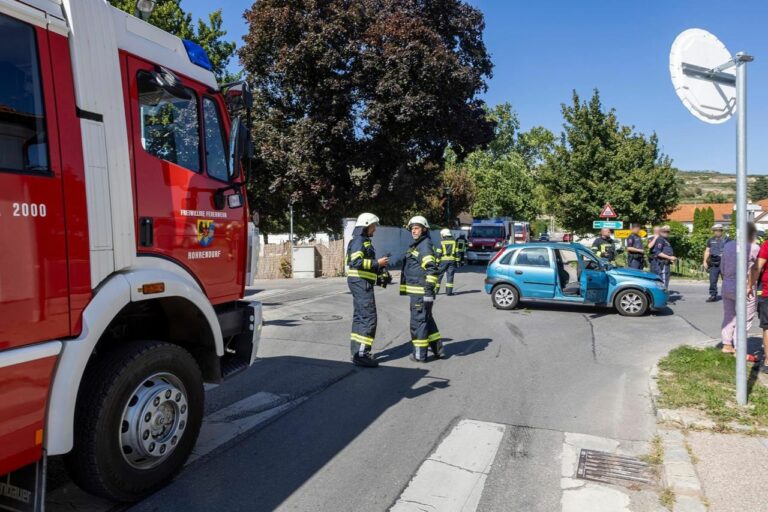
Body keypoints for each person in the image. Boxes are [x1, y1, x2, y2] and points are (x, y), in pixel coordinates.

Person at [346, 213, 389, 367]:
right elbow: (356, 262)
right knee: (369, 317)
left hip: (360, 283)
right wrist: (377, 262)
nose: (375, 230)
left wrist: (379, 269)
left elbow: (362, 263)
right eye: (373, 226)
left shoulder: (361, 241)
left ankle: (357, 352)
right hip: (360, 283)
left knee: (360, 317)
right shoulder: (359, 240)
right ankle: (362, 355)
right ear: (366, 226)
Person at [400, 216, 442, 362]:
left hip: (421, 292)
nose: (414, 231)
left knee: (418, 323)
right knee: (426, 320)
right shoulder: (418, 245)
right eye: (412, 228)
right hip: (419, 292)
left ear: (424, 229)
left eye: (417, 228)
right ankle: (438, 350)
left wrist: (428, 291)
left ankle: (419, 355)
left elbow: (431, 268)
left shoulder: (424, 245)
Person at [720, 223, 759, 354]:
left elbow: (722, 267)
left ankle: (726, 344)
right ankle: (739, 347)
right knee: (745, 317)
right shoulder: (754, 248)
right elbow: (757, 268)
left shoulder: (728, 245)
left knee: (729, 315)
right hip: (745, 285)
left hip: (727, 283)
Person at [703, 224, 728, 302]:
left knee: (726, 280)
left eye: (719, 230)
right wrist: (705, 262)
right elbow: (707, 251)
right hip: (713, 263)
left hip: (725, 262)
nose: (717, 232)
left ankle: (728, 295)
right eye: (715, 230)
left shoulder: (728, 240)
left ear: (722, 231)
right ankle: (713, 295)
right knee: (712, 280)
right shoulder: (710, 240)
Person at [650, 225, 677, 289]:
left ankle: (662, 296)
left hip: (666, 262)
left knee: (665, 280)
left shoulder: (665, 240)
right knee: (663, 281)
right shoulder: (660, 240)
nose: (666, 233)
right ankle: (663, 296)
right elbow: (658, 252)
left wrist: (670, 258)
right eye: (665, 231)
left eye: (668, 232)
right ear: (661, 232)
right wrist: (670, 257)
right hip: (662, 263)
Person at [436, 228, 458, 296]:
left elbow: (439, 253)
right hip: (452, 261)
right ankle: (449, 292)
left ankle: (436, 291)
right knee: (450, 276)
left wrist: (437, 262)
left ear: (444, 234)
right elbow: (457, 252)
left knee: (439, 276)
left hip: (443, 261)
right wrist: (457, 262)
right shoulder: (454, 241)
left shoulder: (442, 241)